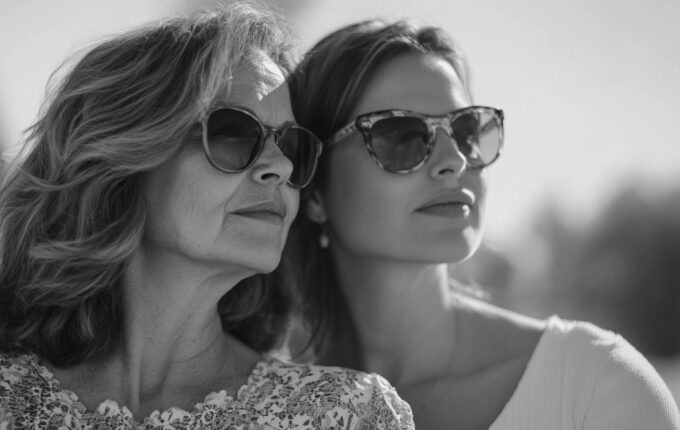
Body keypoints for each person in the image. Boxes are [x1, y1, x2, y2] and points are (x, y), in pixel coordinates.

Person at [0, 7, 415, 429]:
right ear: (122, 160)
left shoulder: (347, 415)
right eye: (234, 133)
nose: (280, 168)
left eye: (293, 146)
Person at [286, 19, 680, 429]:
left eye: (467, 130)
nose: (454, 160)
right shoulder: (263, 405)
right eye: (401, 134)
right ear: (314, 191)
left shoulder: (597, 387)